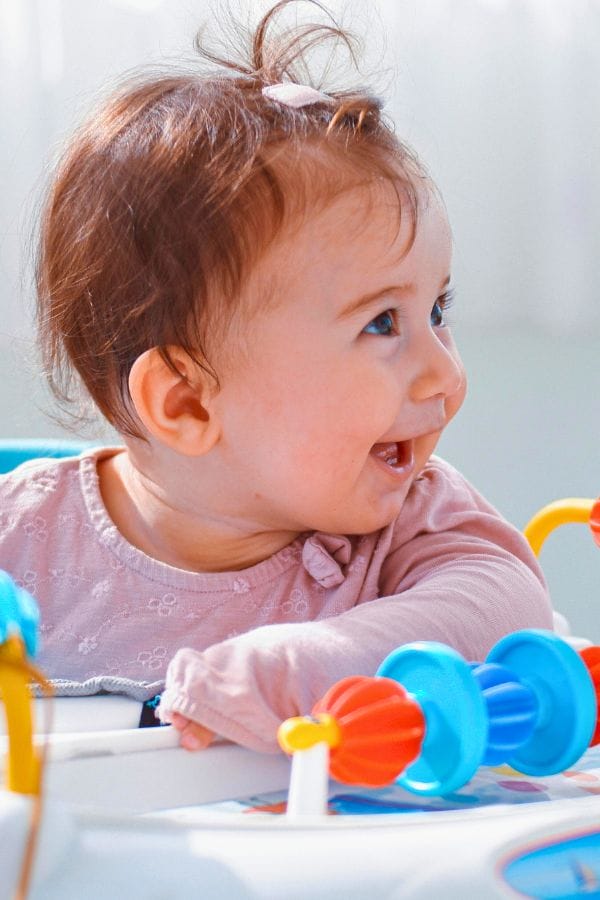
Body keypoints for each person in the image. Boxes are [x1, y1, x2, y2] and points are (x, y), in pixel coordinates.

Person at [0, 1, 552, 753]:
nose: (444, 373)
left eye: (438, 308)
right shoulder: (21, 537)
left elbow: (504, 608)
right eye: (382, 323)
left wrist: (305, 665)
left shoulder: (410, 523)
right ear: (188, 403)